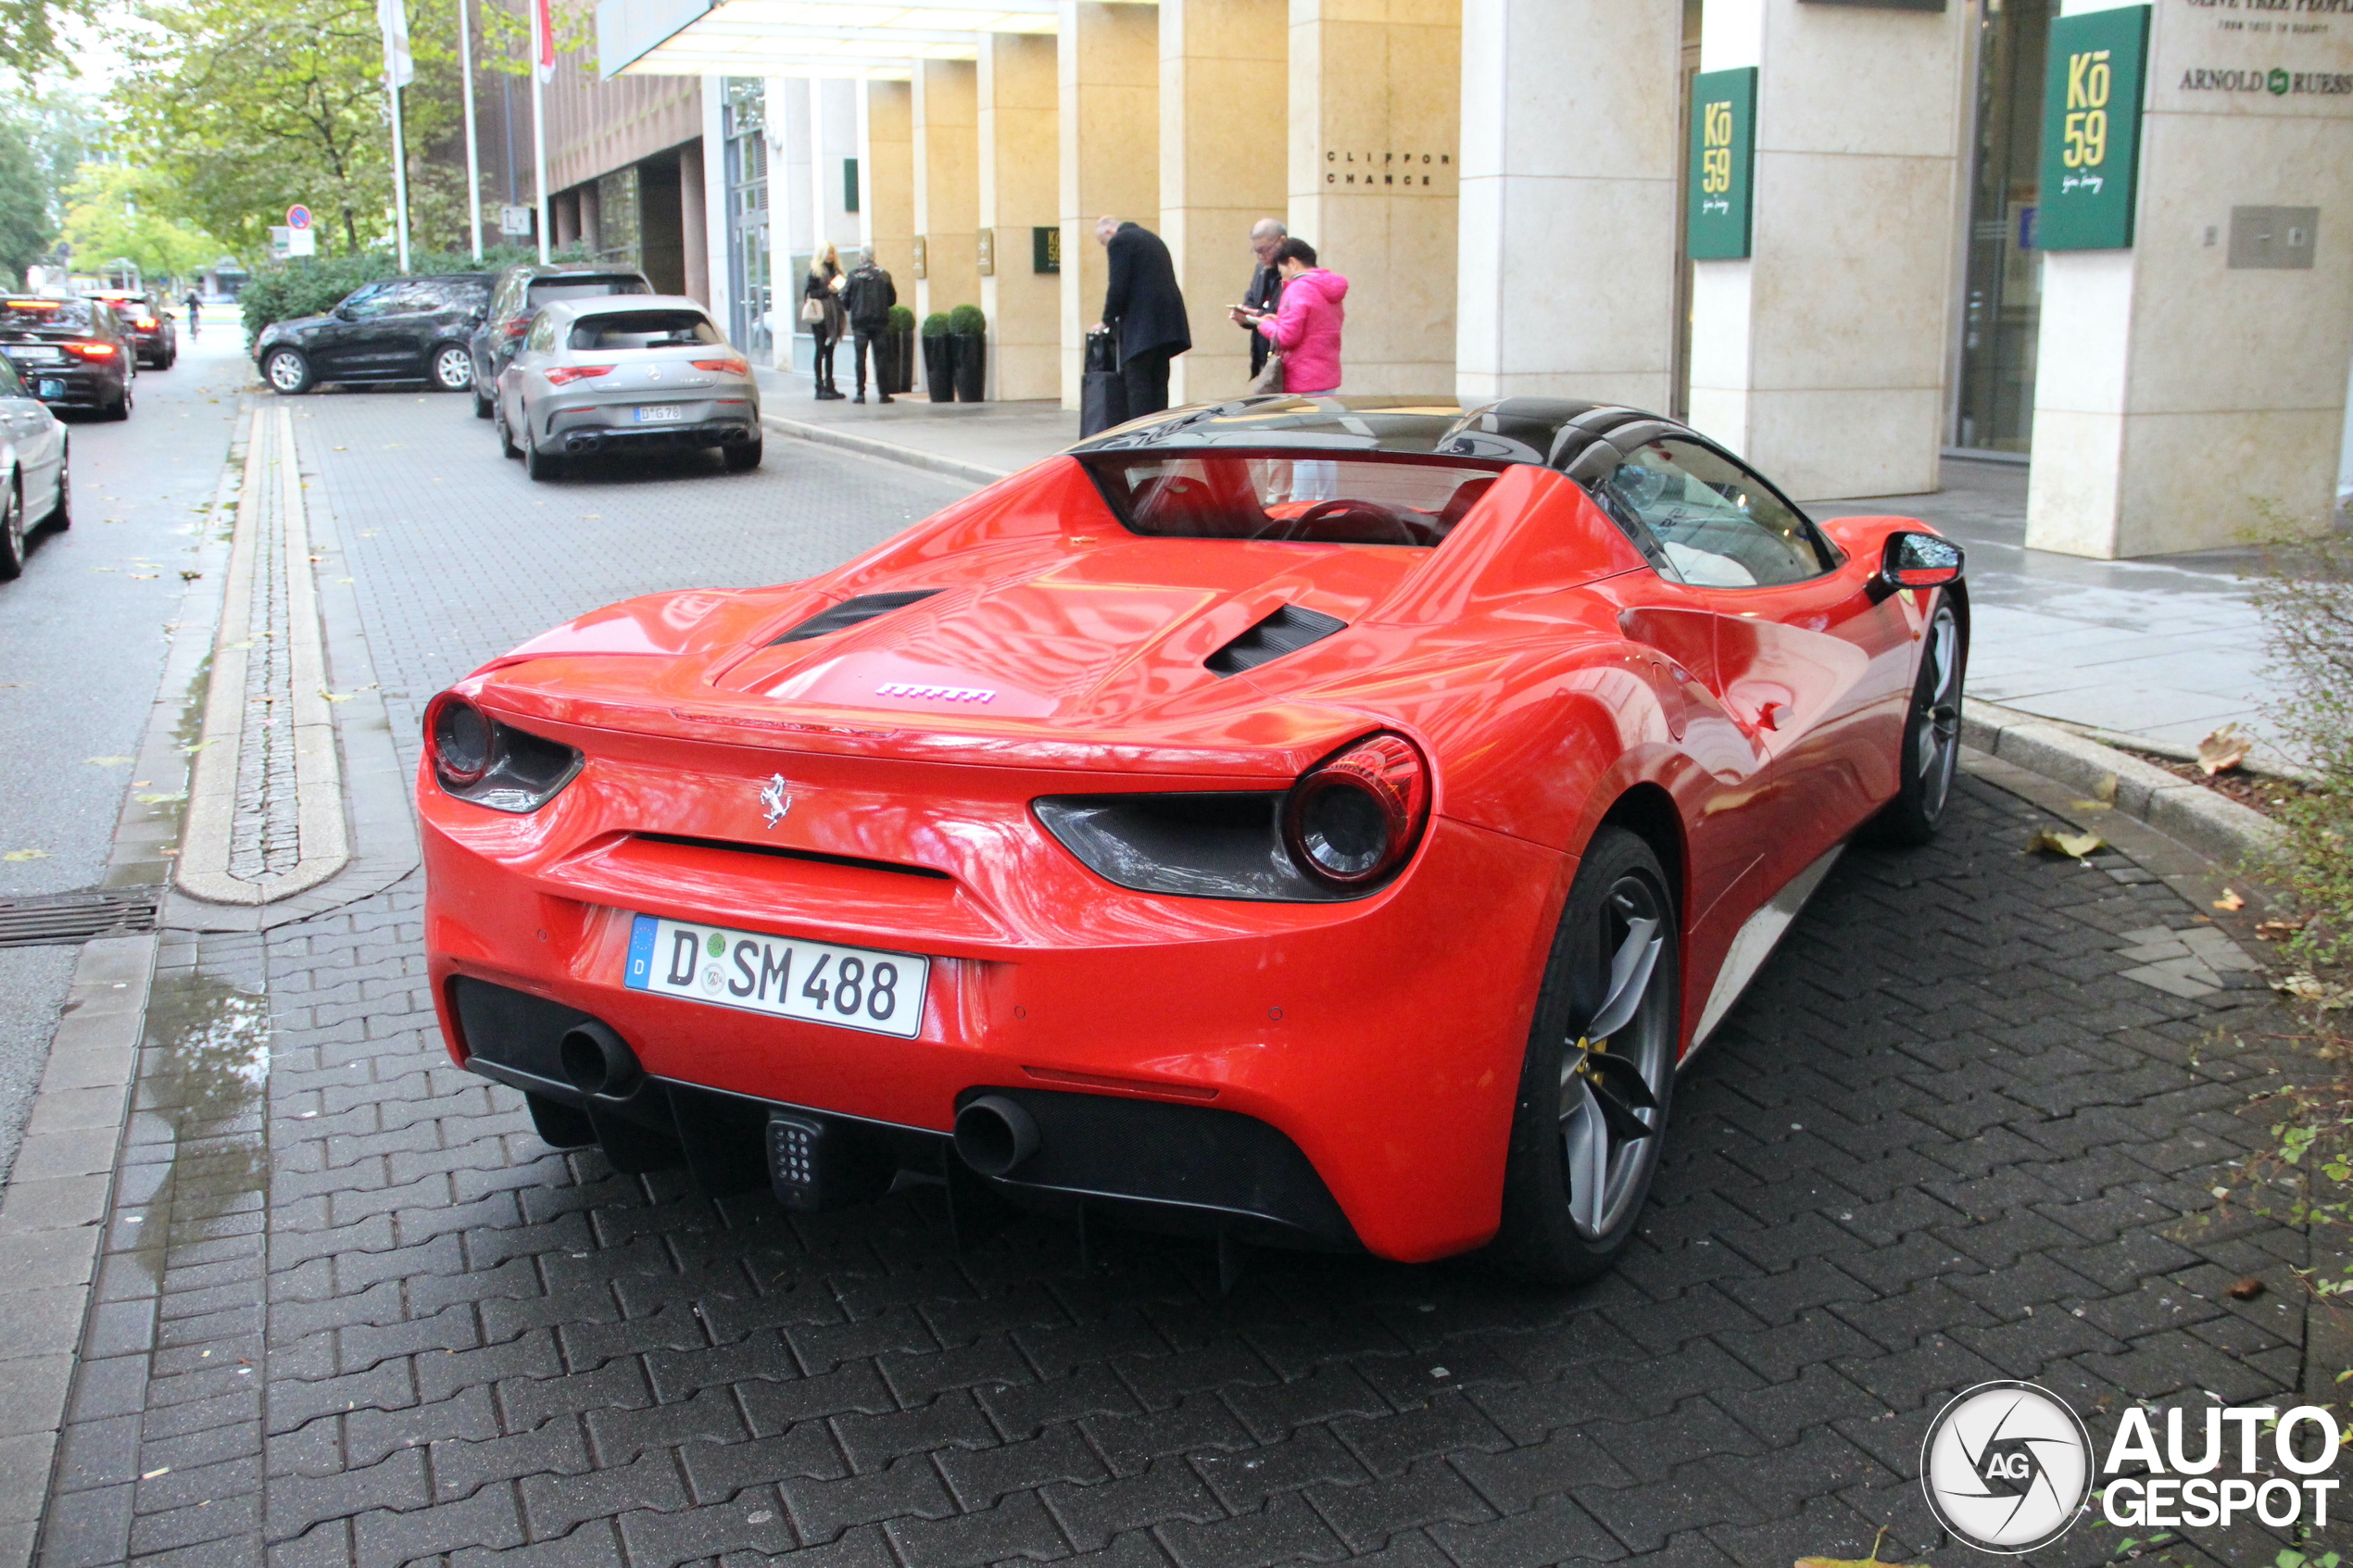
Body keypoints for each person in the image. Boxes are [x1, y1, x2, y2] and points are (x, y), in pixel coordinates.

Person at [1091, 216, 1190, 419]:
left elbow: (1118, 285)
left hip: (1143, 326)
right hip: (1166, 327)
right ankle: (1159, 433)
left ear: (1109, 232)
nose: (1106, 247)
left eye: (1104, 243)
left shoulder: (1120, 241)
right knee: (1159, 383)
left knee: (1138, 386)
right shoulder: (1152, 238)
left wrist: (1106, 320)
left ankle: (1140, 436)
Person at [1238, 238, 1346, 396]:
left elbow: (1286, 338)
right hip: (1327, 377)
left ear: (1293, 263)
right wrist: (1277, 321)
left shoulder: (1298, 289)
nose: (1282, 278)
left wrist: (1264, 325)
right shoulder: (1328, 288)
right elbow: (1314, 326)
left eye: (1282, 271)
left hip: (1302, 380)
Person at [840, 247, 898, 405]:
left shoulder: (853, 275)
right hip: (879, 322)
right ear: (874, 257)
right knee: (881, 358)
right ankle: (883, 394)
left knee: (860, 358)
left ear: (861, 258)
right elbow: (892, 299)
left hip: (860, 323)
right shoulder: (884, 275)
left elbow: (845, 300)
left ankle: (860, 394)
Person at [1239, 219, 1285, 381]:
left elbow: (1285, 314)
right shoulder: (1261, 269)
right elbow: (1251, 299)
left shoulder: (1290, 273)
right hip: (1262, 357)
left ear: (1282, 241)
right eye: (1255, 251)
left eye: (1264, 250)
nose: (1260, 256)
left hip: (1283, 361)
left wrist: (1257, 315)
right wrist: (1244, 317)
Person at [803, 243, 847, 400]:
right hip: (820, 317)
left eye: (833, 253)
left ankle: (830, 385)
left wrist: (838, 289)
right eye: (828, 253)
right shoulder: (816, 272)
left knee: (830, 351)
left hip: (834, 314)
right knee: (820, 349)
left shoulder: (836, 271)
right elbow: (810, 294)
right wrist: (827, 290)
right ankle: (819, 386)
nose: (831, 256)